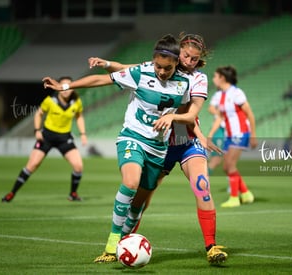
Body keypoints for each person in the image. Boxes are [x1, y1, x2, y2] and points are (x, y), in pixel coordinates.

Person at [43, 34, 199, 263]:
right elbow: (100, 80)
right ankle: (113, 239)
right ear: (152, 61)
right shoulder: (141, 73)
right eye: (158, 66)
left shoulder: (183, 84)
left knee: (140, 203)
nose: (162, 72)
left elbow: (187, 114)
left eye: (167, 68)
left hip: (159, 148)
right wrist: (66, 85)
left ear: (176, 63)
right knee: (130, 183)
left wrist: (176, 118)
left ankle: (122, 244)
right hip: (133, 137)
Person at [89, 33, 228, 265]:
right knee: (141, 199)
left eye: (195, 59)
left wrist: (200, 135)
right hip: (157, 142)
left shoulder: (198, 79)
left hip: (185, 141)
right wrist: (105, 64)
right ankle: (120, 244)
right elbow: (125, 68)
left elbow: (192, 114)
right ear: (178, 51)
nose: (189, 61)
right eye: (186, 55)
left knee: (202, 186)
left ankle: (211, 247)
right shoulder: (159, 66)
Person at [1, 76, 87, 202]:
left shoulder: (76, 102)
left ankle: (73, 194)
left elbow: (79, 116)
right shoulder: (50, 101)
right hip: (47, 137)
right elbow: (39, 114)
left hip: (64, 138)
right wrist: (37, 130)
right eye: (63, 86)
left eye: (68, 86)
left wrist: (83, 133)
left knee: (78, 166)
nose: (66, 89)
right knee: (32, 165)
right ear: (58, 88)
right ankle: (11, 193)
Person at [208, 66, 257, 208]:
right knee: (227, 166)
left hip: (240, 133)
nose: (214, 79)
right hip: (230, 134)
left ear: (222, 78)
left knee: (229, 164)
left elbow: (250, 114)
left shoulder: (236, 93)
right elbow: (217, 114)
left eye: (215, 76)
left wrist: (253, 134)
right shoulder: (222, 95)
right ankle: (246, 193)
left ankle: (234, 198)